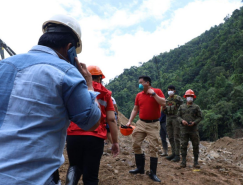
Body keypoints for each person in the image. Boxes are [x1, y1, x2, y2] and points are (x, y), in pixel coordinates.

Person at [0, 14, 101, 185]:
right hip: (36, 178)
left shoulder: (5, 66)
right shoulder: (67, 72)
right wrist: (89, 86)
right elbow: (91, 121)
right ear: (69, 48)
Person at [66, 65, 119, 185]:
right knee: (91, 176)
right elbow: (111, 119)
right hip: (95, 137)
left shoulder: (76, 88)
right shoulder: (105, 93)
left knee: (74, 166)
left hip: (74, 135)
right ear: (100, 78)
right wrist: (115, 142)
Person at [126, 76, 166, 182]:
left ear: (148, 83)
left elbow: (163, 103)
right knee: (136, 143)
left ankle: (153, 173)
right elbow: (135, 109)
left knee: (153, 147)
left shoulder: (157, 91)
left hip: (153, 124)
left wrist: (153, 94)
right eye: (139, 82)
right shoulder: (139, 95)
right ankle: (140, 168)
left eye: (141, 83)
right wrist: (130, 121)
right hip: (141, 123)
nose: (139, 85)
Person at [177, 89, 203, 168]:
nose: (189, 98)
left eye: (191, 96)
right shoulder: (181, 107)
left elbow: (200, 117)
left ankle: (196, 162)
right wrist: (182, 121)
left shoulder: (196, 107)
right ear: (185, 97)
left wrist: (194, 122)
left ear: (193, 97)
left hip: (193, 130)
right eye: (188, 96)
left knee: (195, 145)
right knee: (183, 145)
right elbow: (178, 116)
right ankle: (183, 162)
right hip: (184, 129)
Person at [162, 85, 183, 162]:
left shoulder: (178, 98)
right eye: (168, 90)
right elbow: (164, 111)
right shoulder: (166, 100)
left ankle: (177, 155)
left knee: (176, 136)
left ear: (174, 91)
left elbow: (182, 107)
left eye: (171, 90)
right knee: (170, 136)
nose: (169, 91)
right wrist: (163, 109)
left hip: (176, 118)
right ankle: (173, 153)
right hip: (168, 118)